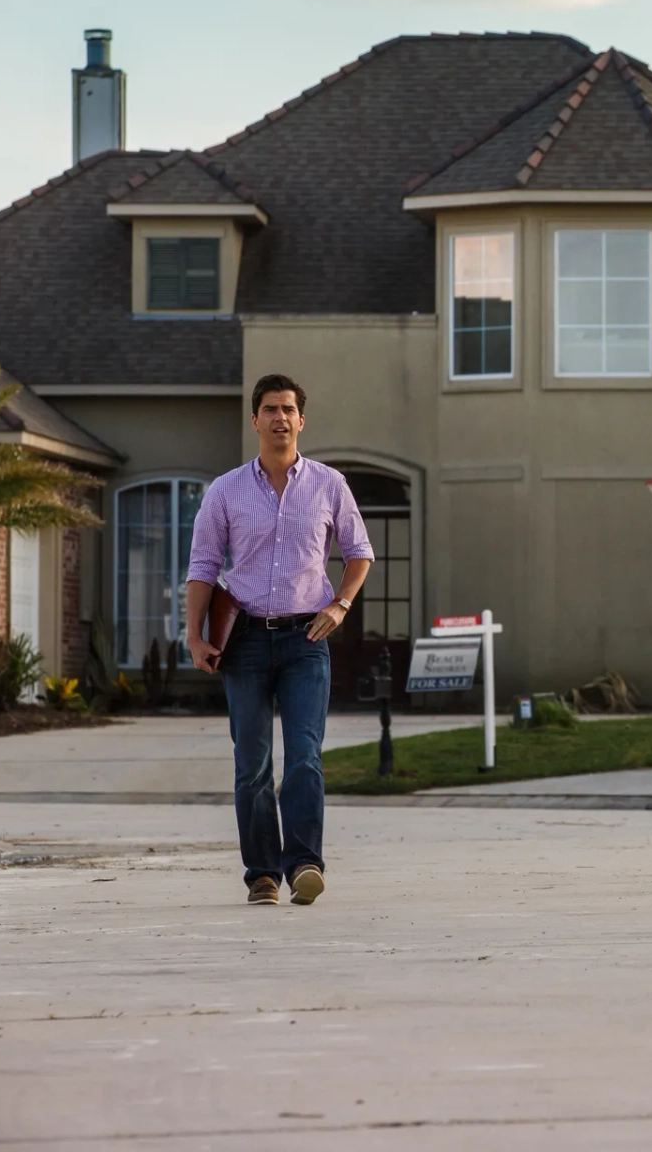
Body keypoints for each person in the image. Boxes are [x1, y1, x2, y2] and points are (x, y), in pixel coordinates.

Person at [184, 375, 373, 906]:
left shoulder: (329, 485)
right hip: (243, 641)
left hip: (305, 639)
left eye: (288, 409)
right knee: (252, 764)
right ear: (255, 420)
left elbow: (359, 552)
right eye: (269, 409)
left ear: (301, 420)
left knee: (306, 758)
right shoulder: (225, 491)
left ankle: (306, 864)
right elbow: (202, 566)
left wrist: (341, 605)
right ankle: (263, 874)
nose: (279, 418)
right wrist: (195, 636)